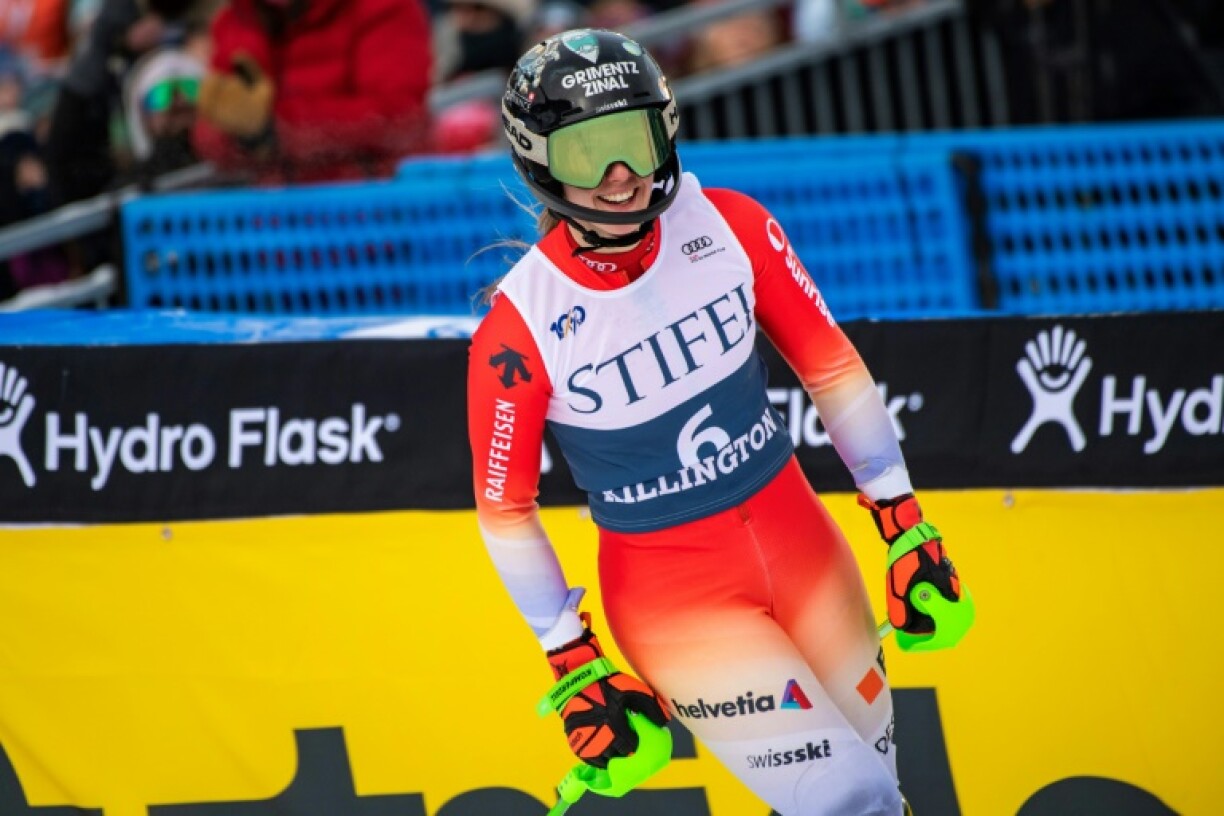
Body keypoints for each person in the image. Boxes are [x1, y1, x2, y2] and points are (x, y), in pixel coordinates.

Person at [466, 28, 974, 816]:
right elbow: (504, 510)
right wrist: (571, 659)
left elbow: (831, 365)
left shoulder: (731, 224)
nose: (618, 176)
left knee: (883, 797)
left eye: (630, 140)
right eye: (585, 152)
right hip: (678, 603)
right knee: (850, 801)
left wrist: (905, 522)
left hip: (806, 553)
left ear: (664, 130)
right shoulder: (520, 326)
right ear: (538, 160)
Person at [192, 0, 434, 185]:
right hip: (280, 226)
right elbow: (212, 128)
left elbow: (400, 117)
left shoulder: (382, 7)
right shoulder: (238, 21)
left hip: (377, 217)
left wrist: (278, 129)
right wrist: (241, 137)